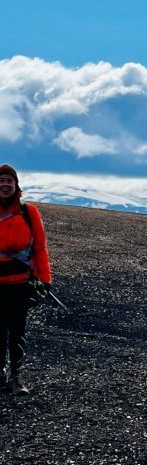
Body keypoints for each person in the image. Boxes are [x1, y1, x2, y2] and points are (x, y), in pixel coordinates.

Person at [0, 165, 52, 396]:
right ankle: (1, 372)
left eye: (9, 180)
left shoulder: (28, 212)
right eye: (1, 180)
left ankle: (15, 376)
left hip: (20, 284)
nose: (5, 184)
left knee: (17, 331)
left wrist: (45, 280)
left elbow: (40, 248)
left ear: (16, 185)